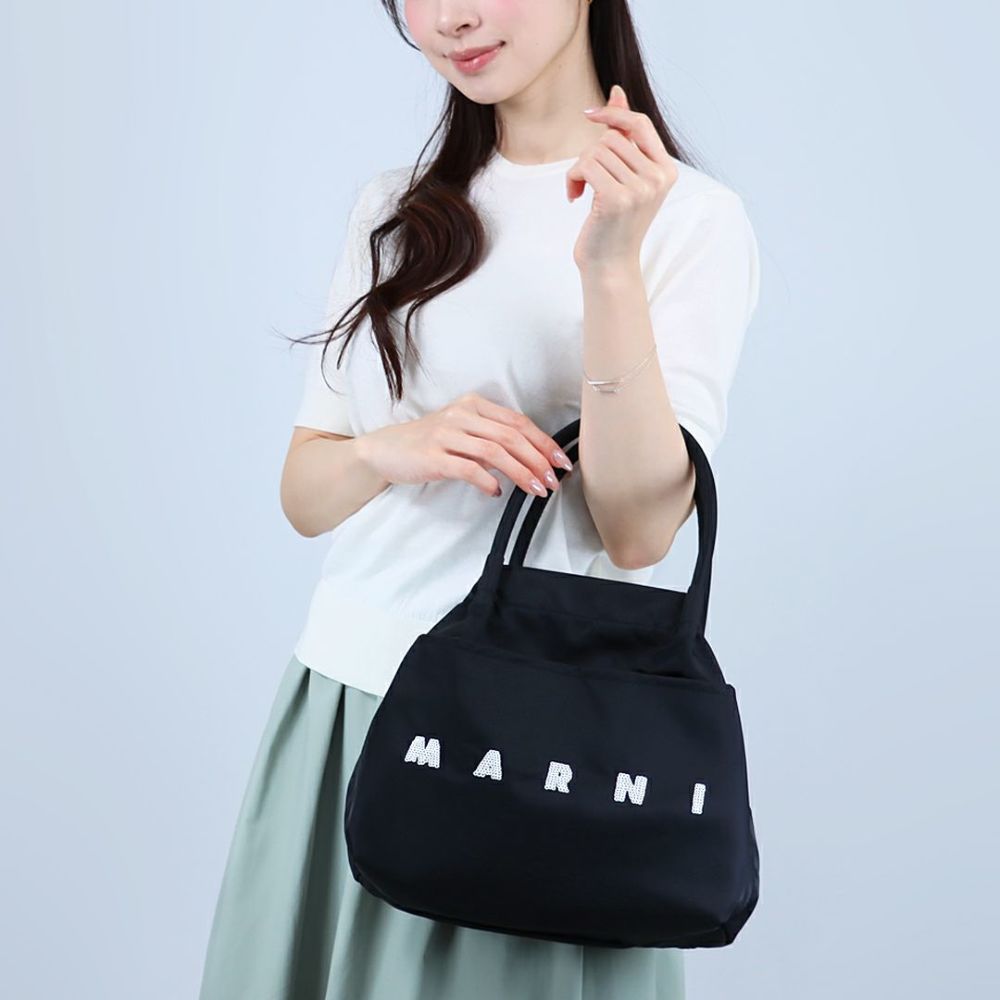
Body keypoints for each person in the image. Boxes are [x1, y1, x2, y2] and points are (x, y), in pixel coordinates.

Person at [197, 2, 761, 998]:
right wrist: (395, 447)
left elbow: (637, 533)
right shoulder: (395, 210)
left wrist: (610, 265)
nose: (451, 16)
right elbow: (306, 495)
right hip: (342, 704)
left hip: (528, 740)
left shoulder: (688, 220)